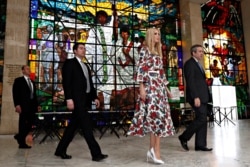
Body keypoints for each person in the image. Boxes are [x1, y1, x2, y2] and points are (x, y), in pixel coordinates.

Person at [127, 28, 175, 164]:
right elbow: (140, 70)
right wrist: (141, 88)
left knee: (158, 118)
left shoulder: (158, 53)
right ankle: (156, 152)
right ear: (149, 36)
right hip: (150, 88)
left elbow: (161, 74)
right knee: (156, 119)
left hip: (159, 89)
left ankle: (152, 150)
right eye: (155, 34)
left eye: (159, 33)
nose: (158, 36)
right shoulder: (145, 50)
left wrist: (167, 89)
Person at [54, 43, 108, 162]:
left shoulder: (85, 66)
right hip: (76, 101)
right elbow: (66, 83)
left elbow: (89, 84)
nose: (83, 50)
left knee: (72, 128)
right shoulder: (70, 63)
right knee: (87, 127)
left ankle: (60, 150)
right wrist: (68, 99)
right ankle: (96, 154)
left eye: (84, 48)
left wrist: (95, 97)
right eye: (81, 48)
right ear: (74, 51)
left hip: (85, 100)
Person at [178, 44, 212, 152]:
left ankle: (200, 145)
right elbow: (191, 82)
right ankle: (184, 137)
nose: (202, 53)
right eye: (200, 51)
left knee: (202, 119)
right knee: (201, 118)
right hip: (197, 97)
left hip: (203, 97)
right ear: (193, 53)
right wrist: (196, 97)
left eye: (202, 51)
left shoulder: (198, 64)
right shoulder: (189, 64)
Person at [85, 10, 116, 110]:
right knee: (96, 85)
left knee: (108, 86)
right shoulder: (93, 30)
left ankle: (107, 109)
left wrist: (114, 12)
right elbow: (88, 47)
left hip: (108, 62)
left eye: (104, 17)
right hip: (98, 61)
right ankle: (94, 108)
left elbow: (113, 22)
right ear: (97, 18)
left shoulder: (108, 28)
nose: (102, 19)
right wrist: (91, 63)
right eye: (100, 17)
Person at [12, 65, 39, 149]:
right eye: (27, 69)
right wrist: (17, 105)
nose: (29, 70)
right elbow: (15, 93)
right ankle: (22, 143)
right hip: (23, 106)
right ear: (23, 71)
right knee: (23, 124)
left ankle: (19, 136)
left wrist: (37, 105)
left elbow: (34, 96)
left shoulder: (32, 82)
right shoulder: (18, 80)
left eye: (29, 68)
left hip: (32, 107)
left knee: (30, 124)